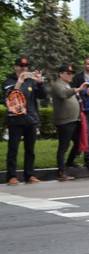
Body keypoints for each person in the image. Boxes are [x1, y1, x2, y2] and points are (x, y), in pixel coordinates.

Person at [3, 57, 47, 185]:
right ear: (15, 67)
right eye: (21, 66)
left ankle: (29, 174)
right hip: (16, 120)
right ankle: (11, 176)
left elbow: (42, 95)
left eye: (26, 66)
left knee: (30, 149)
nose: (23, 68)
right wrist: (18, 83)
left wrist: (39, 83)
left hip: (30, 119)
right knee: (13, 149)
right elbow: (9, 97)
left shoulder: (31, 81)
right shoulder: (9, 81)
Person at [51, 65, 89, 181]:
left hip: (74, 120)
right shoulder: (57, 85)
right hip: (64, 120)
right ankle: (61, 171)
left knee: (78, 143)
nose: (70, 75)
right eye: (68, 73)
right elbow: (64, 94)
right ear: (61, 74)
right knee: (64, 146)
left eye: (71, 73)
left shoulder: (67, 85)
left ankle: (69, 162)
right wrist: (78, 89)